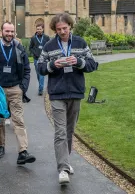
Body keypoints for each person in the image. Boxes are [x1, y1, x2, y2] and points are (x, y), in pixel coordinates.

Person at [37, 13, 98, 185]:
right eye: (59, 29)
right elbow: (40, 67)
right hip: (57, 94)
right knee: (60, 132)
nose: (62, 31)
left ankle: (66, 161)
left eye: (65, 28)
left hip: (76, 92)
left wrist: (79, 62)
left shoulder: (80, 43)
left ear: (70, 26)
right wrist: (52, 65)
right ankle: (62, 168)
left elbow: (93, 64)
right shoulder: (49, 46)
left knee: (70, 131)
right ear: (54, 30)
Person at [0, 22, 36, 165]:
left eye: (12, 31)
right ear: (1, 31)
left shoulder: (19, 48)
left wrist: (22, 88)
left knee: (18, 120)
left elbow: (27, 70)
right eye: (7, 31)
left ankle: (23, 151)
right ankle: (0, 146)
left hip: (15, 88)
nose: (9, 34)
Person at [29, 23, 50, 96]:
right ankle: (41, 85)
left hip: (44, 59)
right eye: (37, 29)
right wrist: (35, 53)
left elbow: (49, 46)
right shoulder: (33, 38)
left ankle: (40, 89)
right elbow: (30, 48)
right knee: (38, 73)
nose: (39, 30)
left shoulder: (47, 37)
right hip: (36, 58)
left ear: (43, 29)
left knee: (42, 73)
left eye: (40, 29)